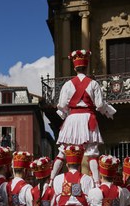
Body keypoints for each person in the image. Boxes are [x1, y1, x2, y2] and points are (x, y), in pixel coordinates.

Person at [49, 50, 116, 184]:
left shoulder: (67, 84)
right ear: (87, 67)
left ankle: (50, 181)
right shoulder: (93, 84)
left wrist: (65, 113)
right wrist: (108, 111)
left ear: (75, 67)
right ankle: (97, 184)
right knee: (91, 152)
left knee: (62, 151)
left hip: (72, 119)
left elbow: (61, 105)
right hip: (88, 118)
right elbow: (99, 104)